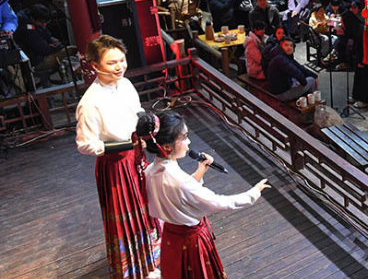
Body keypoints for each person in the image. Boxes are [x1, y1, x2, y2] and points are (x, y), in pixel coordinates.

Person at [137, 111, 270, 279]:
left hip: (171, 237)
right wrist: (254, 192)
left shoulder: (149, 171)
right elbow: (219, 203)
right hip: (191, 241)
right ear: (167, 146)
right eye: (184, 137)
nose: (189, 142)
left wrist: (200, 172)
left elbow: (180, 196)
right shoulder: (180, 181)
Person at [75, 35, 160, 279]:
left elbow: (137, 112)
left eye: (121, 60)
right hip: (116, 165)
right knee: (127, 218)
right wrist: (121, 145)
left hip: (137, 155)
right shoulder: (90, 103)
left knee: (147, 208)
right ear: (95, 66)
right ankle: (134, 269)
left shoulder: (125, 84)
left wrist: (146, 121)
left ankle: (152, 261)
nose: (119, 67)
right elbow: (84, 145)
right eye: (112, 63)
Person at [267, 36, 318, 101]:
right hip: (281, 94)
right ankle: (313, 101)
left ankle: (308, 97)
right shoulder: (280, 59)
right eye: (286, 45)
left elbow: (298, 66)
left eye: (291, 45)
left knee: (306, 77)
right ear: (281, 46)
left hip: (281, 86)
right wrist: (303, 83)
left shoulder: (281, 54)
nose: (289, 48)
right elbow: (297, 73)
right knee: (311, 80)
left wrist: (314, 75)